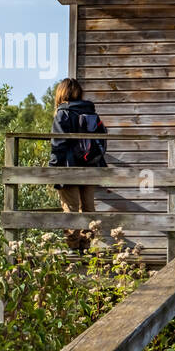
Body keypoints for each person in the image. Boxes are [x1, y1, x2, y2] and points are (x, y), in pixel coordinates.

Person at [48, 78, 107, 251]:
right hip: (90, 167)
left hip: (68, 169)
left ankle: (73, 249)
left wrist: (52, 171)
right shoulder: (91, 113)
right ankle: (86, 246)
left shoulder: (63, 113)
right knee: (88, 208)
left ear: (61, 93)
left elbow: (58, 145)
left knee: (71, 209)